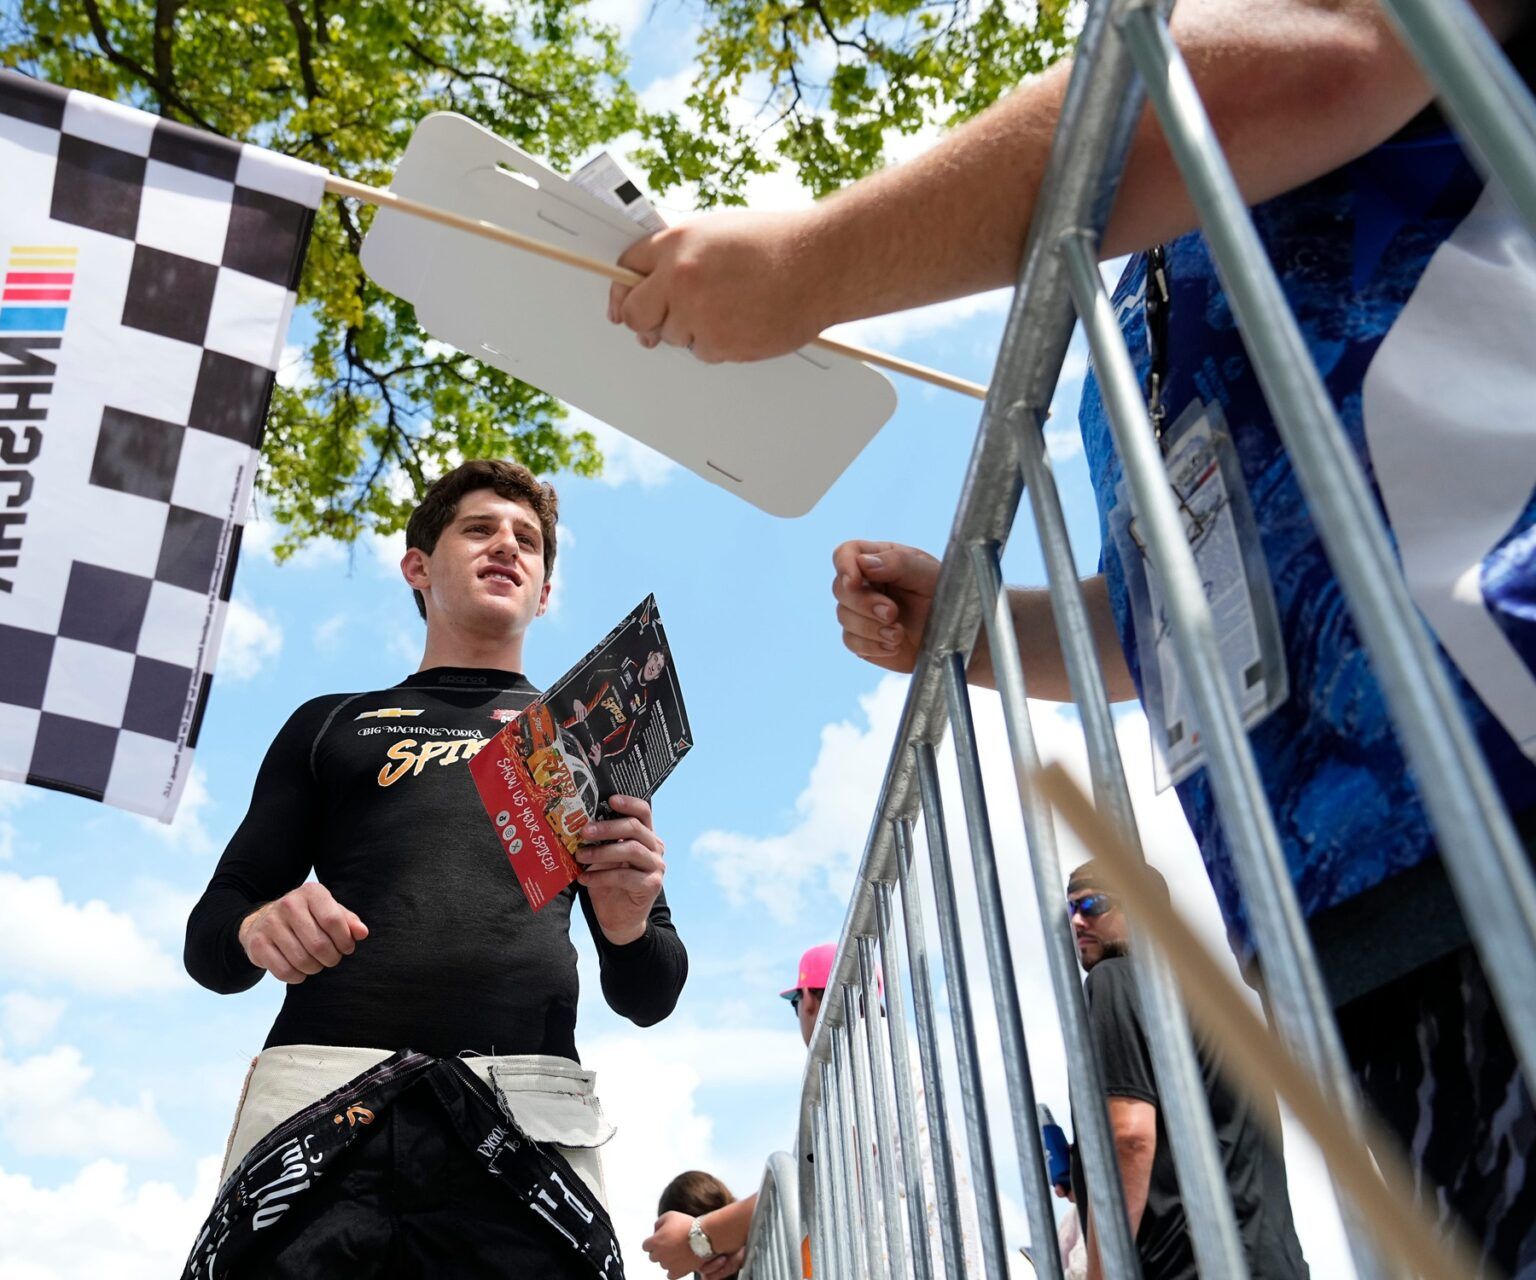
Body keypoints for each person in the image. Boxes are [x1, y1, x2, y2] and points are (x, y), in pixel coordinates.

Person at [605, 0, 1536, 1269]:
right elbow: (1182, 620)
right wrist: (983, 627)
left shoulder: (1252, 98)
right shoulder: (1156, 296)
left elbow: (1340, 48)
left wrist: (818, 258)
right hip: (1361, 915)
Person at [182, 459, 688, 1278]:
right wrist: (255, 926)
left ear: (546, 592)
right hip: (320, 1110)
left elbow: (651, 992)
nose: (507, 547)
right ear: (418, 565)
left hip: (523, 1126)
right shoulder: (330, 724)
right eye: (479, 529)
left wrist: (629, 921)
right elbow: (210, 942)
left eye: (528, 541)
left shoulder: (587, 740)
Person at [1061, 861, 1307, 1278]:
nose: (1078, 922)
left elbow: (1131, 1138)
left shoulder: (1114, 979)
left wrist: (1102, 1273)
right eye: (1070, 911)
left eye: (1093, 905)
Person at [643, 942, 833, 1280]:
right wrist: (743, 1247)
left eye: (795, 1003)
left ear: (809, 1001)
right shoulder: (892, 1068)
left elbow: (815, 1183)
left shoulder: (841, 1084)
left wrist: (698, 1237)